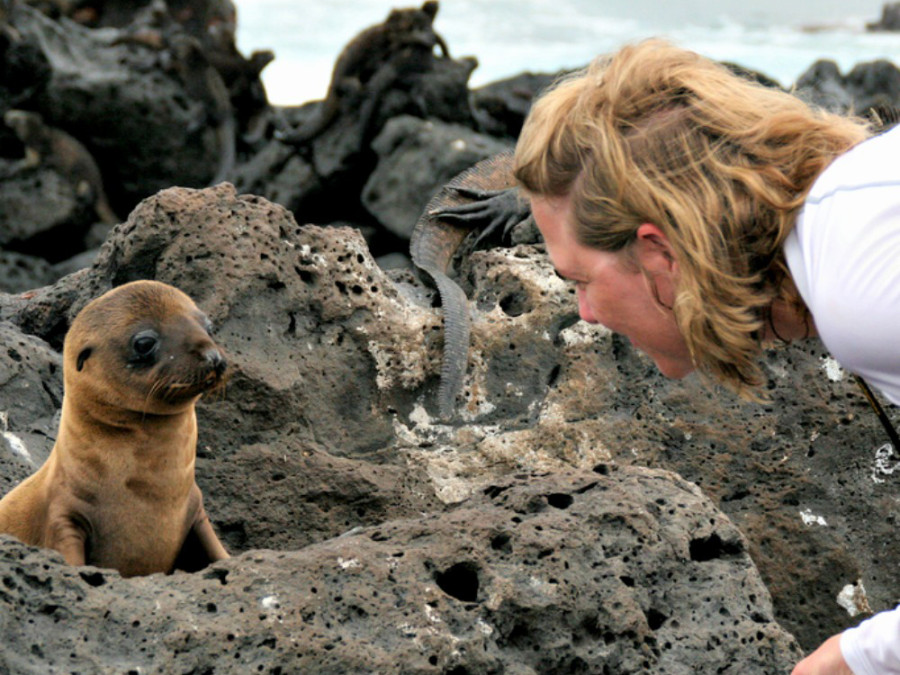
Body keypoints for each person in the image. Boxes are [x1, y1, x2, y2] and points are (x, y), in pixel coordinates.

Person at [511, 38, 900, 675]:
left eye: (579, 280)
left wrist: (857, 655)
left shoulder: (860, 288)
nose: (583, 313)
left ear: (659, 253)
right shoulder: (854, 217)